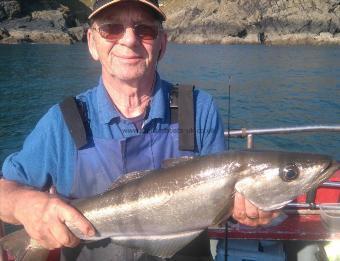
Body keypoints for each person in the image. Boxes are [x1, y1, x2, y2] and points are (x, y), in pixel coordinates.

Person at [0, 1, 278, 260]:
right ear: (92, 43)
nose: (129, 40)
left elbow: (223, 207)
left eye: (144, 30)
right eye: (111, 28)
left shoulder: (199, 108)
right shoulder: (62, 121)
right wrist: (26, 205)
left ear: (162, 44)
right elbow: (5, 191)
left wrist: (250, 209)